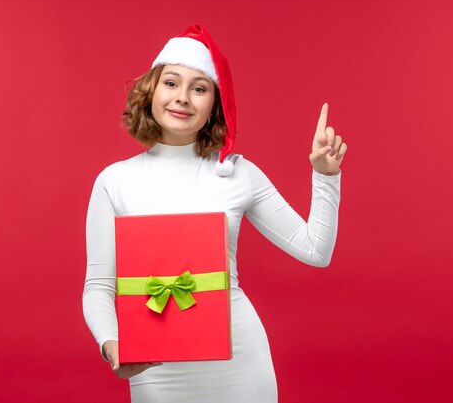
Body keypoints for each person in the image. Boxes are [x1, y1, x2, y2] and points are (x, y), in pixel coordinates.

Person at [83, 24, 347, 403]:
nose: (183, 98)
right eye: (171, 83)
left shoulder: (237, 172)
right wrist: (113, 347)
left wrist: (325, 177)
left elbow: (315, 250)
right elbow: (98, 287)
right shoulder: (114, 181)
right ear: (151, 93)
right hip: (156, 372)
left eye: (200, 88)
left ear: (214, 107)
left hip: (240, 364)